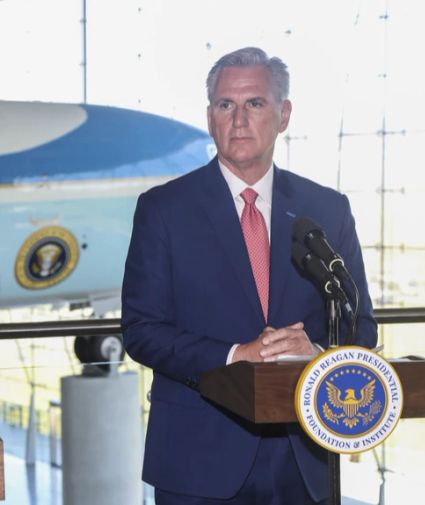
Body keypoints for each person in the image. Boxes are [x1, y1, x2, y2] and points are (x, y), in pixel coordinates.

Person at [122, 47, 377, 504]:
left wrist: (317, 353)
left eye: (255, 103)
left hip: (305, 460)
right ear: (209, 116)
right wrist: (237, 353)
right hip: (197, 461)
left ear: (284, 115)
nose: (238, 120)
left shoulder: (327, 210)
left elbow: (362, 325)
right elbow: (142, 331)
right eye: (226, 105)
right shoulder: (163, 210)